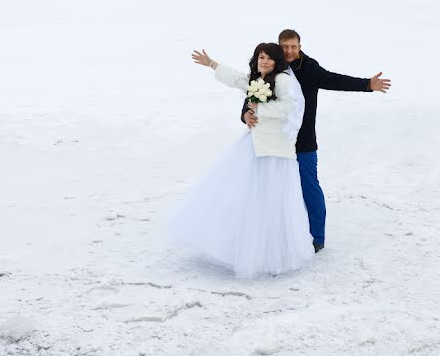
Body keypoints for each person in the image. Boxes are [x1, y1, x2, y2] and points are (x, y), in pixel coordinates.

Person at [166, 42, 314, 278]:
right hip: (256, 144)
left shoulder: (283, 81)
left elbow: (289, 107)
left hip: (275, 150)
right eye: (260, 57)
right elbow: (237, 79)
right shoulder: (258, 80)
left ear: (277, 62)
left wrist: (258, 110)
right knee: (248, 198)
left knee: (273, 203)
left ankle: (273, 254)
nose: (263, 62)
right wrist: (212, 64)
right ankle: (241, 248)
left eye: (268, 58)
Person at [241, 29, 391, 252]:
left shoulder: (308, 67)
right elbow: (253, 94)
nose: (289, 51)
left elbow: (332, 79)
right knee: (272, 190)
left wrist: (367, 84)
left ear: (300, 47)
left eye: (294, 46)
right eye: (285, 47)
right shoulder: (271, 65)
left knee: (309, 187)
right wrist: (245, 113)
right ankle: (276, 236)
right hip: (273, 141)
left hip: (302, 141)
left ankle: (316, 237)